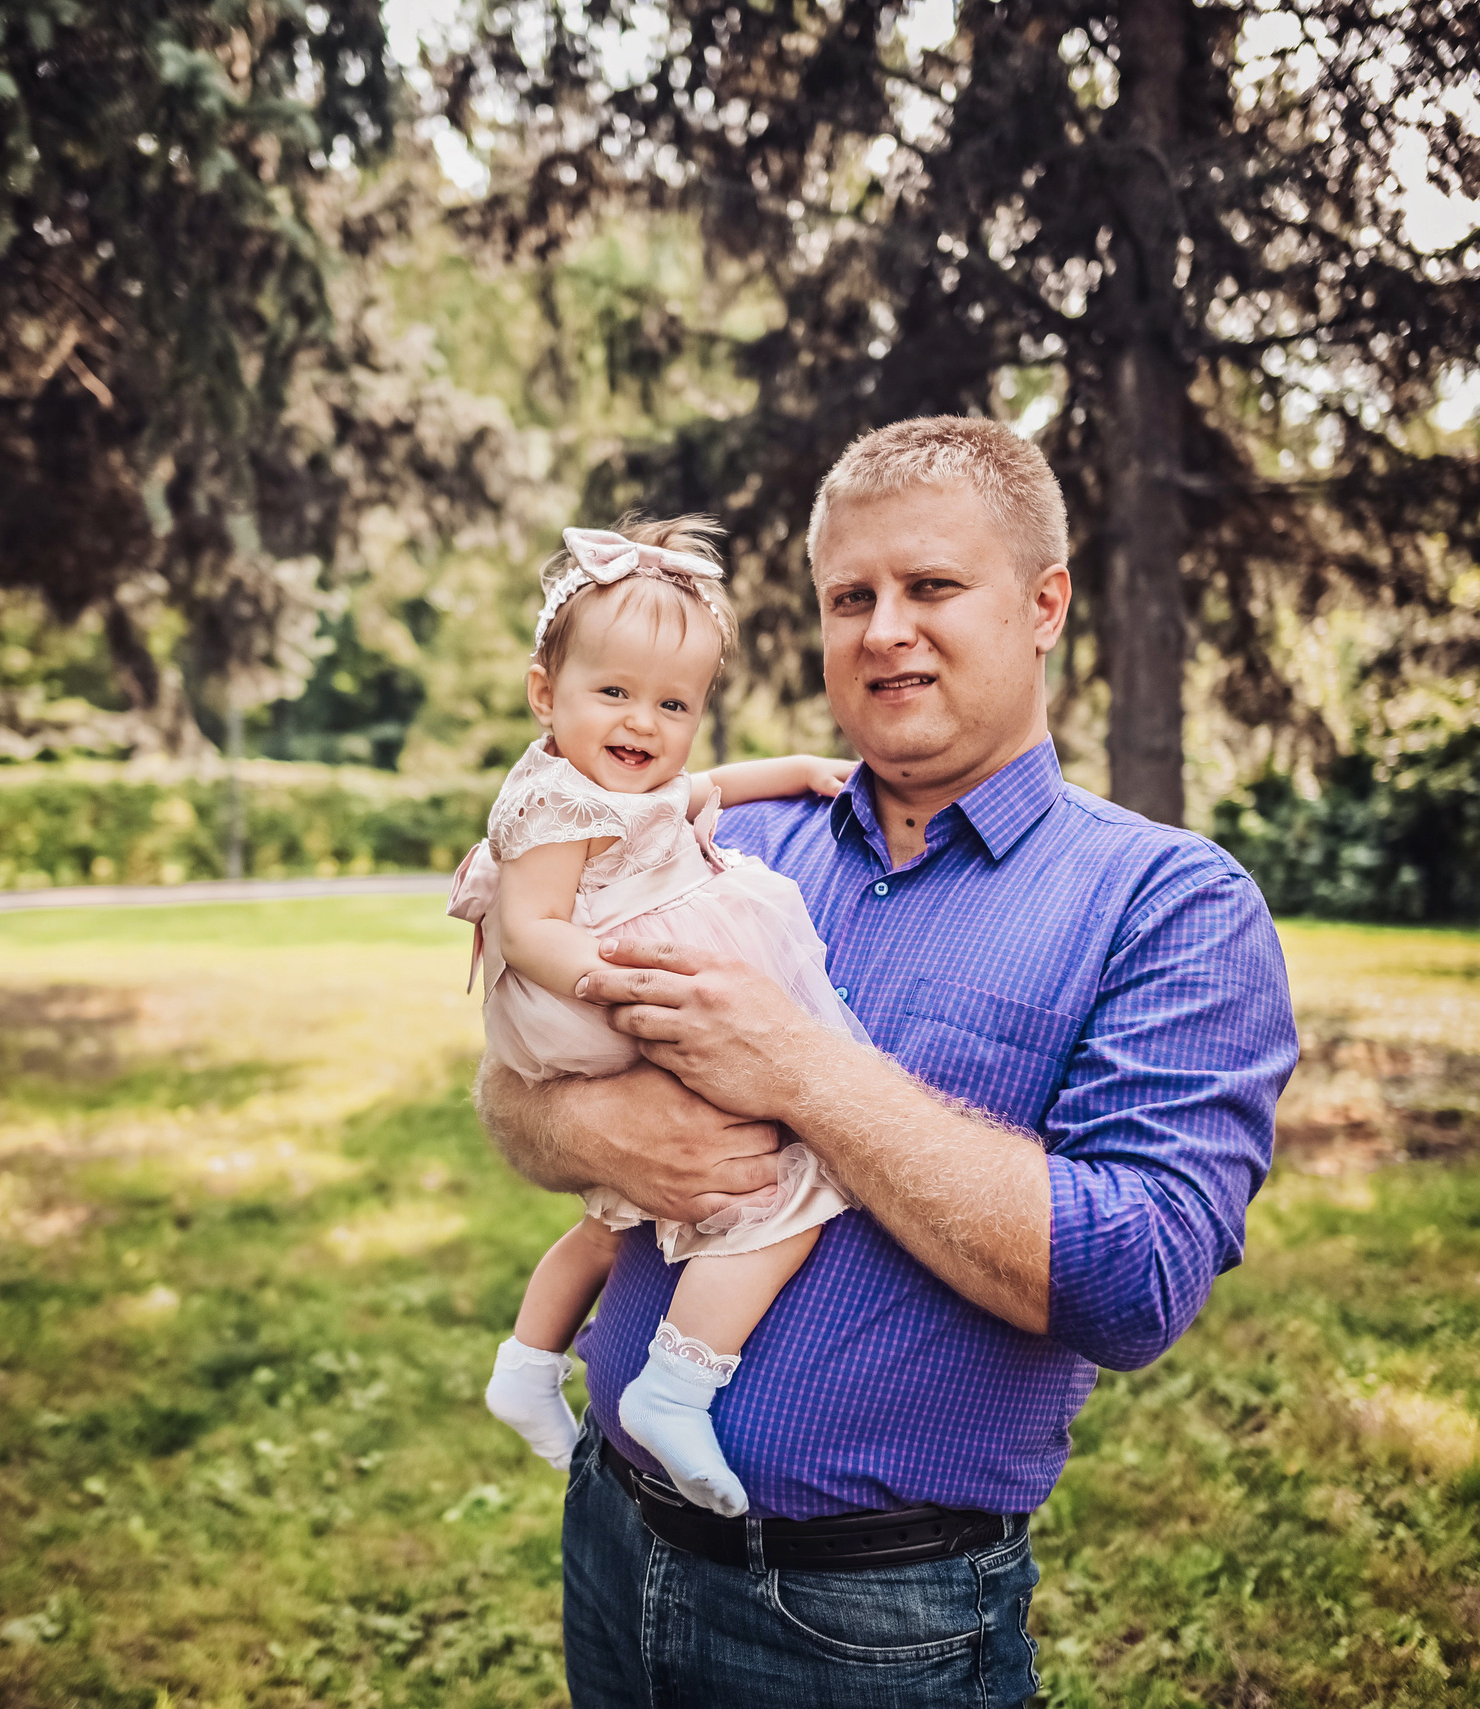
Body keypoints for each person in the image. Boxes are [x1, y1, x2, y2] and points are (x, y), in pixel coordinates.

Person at [475, 416, 1299, 1708]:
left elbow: (1136, 1281)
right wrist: (581, 1137)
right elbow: (511, 1090)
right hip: (613, 1538)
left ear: (1043, 605)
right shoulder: (734, 844)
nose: (883, 629)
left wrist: (804, 1071)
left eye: (931, 587)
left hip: (871, 1624)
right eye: (849, 596)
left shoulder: (1168, 902)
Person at [453, 517, 870, 1519]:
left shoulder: (621, 785)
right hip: (596, 1000)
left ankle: (526, 1362)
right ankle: (680, 1384)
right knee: (791, 1185)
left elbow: (709, 788)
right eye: (614, 693)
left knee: (613, 1215)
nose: (643, 721)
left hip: (602, 1007)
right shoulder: (555, 804)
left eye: (673, 702)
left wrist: (802, 770)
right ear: (544, 694)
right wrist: (612, 982)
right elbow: (531, 924)